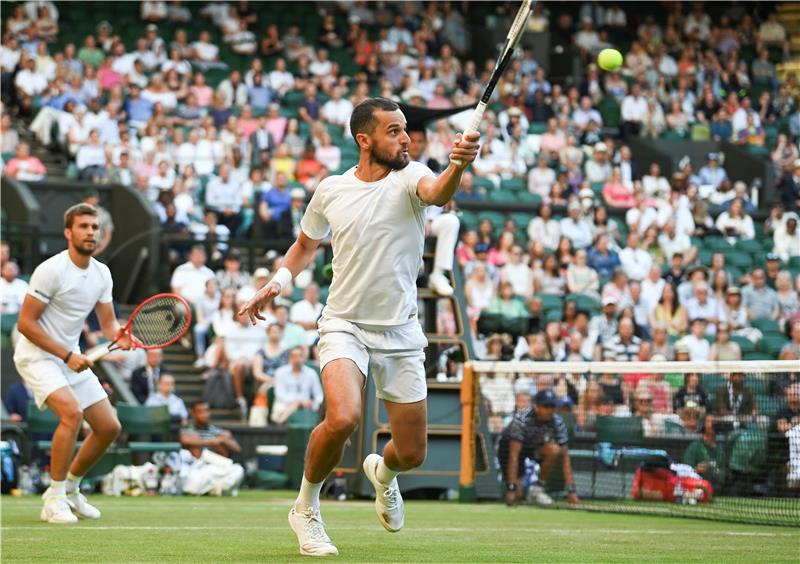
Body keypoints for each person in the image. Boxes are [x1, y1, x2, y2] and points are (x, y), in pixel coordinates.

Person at [237, 97, 480, 556]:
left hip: (401, 332)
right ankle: (306, 508)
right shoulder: (331, 189)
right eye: (394, 131)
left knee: (411, 454)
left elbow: (438, 193)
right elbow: (306, 243)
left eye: (405, 129)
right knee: (344, 416)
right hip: (344, 323)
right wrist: (277, 282)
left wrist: (458, 166)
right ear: (364, 139)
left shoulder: (412, 176)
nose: (405, 138)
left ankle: (382, 474)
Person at [13, 204, 134, 523]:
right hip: (37, 356)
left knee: (109, 427)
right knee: (72, 414)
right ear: (68, 232)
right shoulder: (51, 270)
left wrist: (121, 335)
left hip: (70, 357)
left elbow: (109, 326)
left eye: (94, 227)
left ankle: (72, 489)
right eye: (83, 226)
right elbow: (26, 324)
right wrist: (67, 355)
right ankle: (53, 498)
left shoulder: (102, 273)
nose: (90, 232)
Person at [497, 389, 579, 507]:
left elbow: (565, 457)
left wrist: (572, 490)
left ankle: (536, 489)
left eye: (552, 406)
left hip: (533, 447)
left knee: (555, 451)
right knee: (517, 495)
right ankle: (513, 487)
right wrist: (511, 488)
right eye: (546, 406)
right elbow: (514, 455)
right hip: (508, 449)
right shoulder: (521, 420)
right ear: (536, 407)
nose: (550, 410)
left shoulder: (557, 422)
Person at [271, 346, 325, 424]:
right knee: (280, 408)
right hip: (284, 404)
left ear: (304, 358)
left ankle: (280, 422)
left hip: (306, 406)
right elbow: (280, 394)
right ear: (290, 358)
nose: (297, 359)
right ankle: (281, 422)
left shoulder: (311, 373)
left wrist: (313, 403)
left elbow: (319, 396)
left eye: (300, 356)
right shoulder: (280, 372)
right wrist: (297, 402)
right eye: (294, 356)